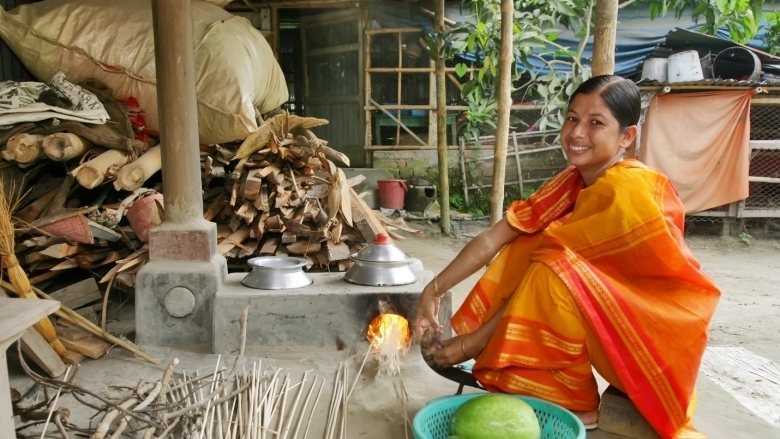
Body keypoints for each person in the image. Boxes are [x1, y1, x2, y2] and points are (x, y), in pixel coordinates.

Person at [413, 75, 720, 439]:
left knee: (551, 268)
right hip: (612, 327)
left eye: (596, 123)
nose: (577, 133)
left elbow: (552, 275)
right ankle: (536, 372)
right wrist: (432, 291)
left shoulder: (626, 188)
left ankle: (570, 399)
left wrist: (470, 343)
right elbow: (493, 238)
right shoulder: (574, 182)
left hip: (651, 349)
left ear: (627, 137)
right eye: (572, 118)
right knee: (528, 243)